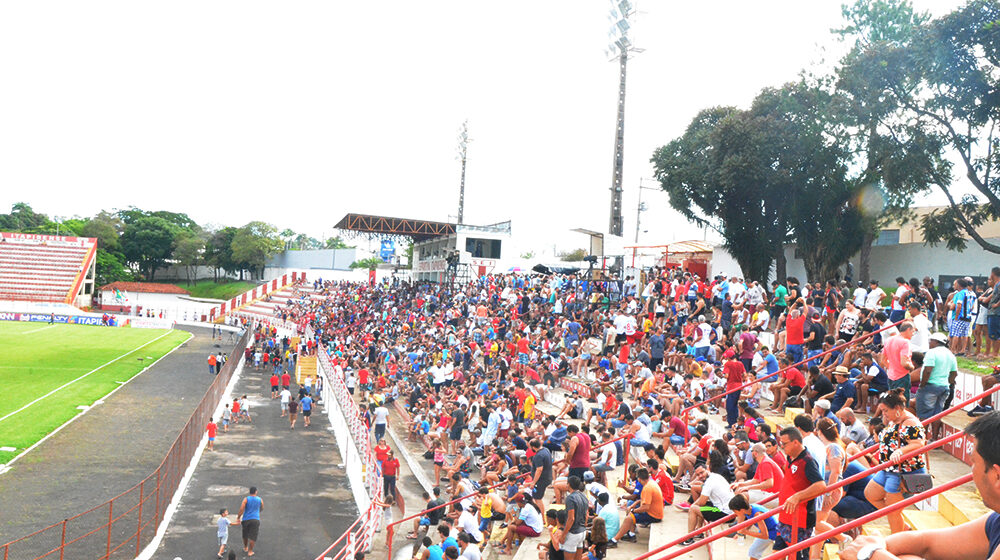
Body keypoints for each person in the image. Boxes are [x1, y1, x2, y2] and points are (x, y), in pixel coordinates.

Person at [840, 411, 1000, 560]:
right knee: (907, 556)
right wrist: (878, 546)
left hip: (899, 473)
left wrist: (871, 554)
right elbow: (926, 542)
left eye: (974, 462)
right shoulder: (996, 520)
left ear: (997, 475)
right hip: (894, 473)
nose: (971, 472)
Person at [863, 388, 926, 534]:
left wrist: (900, 451)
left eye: (885, 410)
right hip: (889, 468)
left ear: (897, 408)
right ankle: (902, 526)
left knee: (893, 511)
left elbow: (918, 443)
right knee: (871, 494)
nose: (883, 414)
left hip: (901, 473)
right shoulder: (894, 419)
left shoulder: (910, 422)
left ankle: (897, 540)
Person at [774, 427, 826, 560]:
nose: (781, 446)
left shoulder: (808, 461)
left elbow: (821, 485)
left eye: (784, 444)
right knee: (776, 553)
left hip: (800, 520)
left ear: (796, 442)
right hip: (785, 516)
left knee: (797, 556)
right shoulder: (790, 457)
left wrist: (797, 496)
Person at [682, 450, 735, 545]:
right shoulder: (715, 476)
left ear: (707, 468)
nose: (700, 476)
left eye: (702, 472)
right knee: (700, 506)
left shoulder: (710, 482)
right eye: (698, 475)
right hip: (728, 510)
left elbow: (701, 502)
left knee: (694, 509)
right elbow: (702, 500)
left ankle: (689, 538)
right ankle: (698, 531)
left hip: (725, 513)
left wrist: (692, 506)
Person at [917, 332, 957, 440]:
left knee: (924, 414)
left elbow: (928, 370)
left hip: (930, 386)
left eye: (931, 341)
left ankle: (922, 440)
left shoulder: (932, 353)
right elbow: (954, 373)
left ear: (936, 342)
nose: (929, 343)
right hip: (944, 387)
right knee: (937, 414)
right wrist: (948, 382)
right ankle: (934, 439)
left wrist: (922, 384)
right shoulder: (950, 354)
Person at [608, 468, 663, 547]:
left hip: (653, 515)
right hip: (654, 511)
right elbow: (642, 500)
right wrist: (633, 505)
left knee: (629, 518)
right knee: (631, 511)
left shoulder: (647, 488)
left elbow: (646, 507)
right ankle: (631, 534)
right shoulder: (650, 483)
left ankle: (614, 540)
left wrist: (634, 510)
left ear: (639, 479)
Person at [729, 493, 778, 560]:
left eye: (735, 511)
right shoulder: (749, 509)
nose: (734, 513)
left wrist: (745, 531)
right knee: (754, 551)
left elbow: (765, 535)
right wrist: (740, 532)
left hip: (773, 532)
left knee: (753, 552)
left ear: (742, 510)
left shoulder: (757, 514)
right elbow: (748, 521)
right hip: (767, 529)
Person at [236, 486, 262, 557]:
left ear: (249, 492)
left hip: (246, 519)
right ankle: (250, 551)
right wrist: (257, 512)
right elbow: (261, 508)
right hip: (255, 519)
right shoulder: (259, 499)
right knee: (253, 536)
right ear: (256, 492)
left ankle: (245, 547)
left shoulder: (246, 499)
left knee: (245, 534)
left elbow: (241, 509)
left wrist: (238, 517)